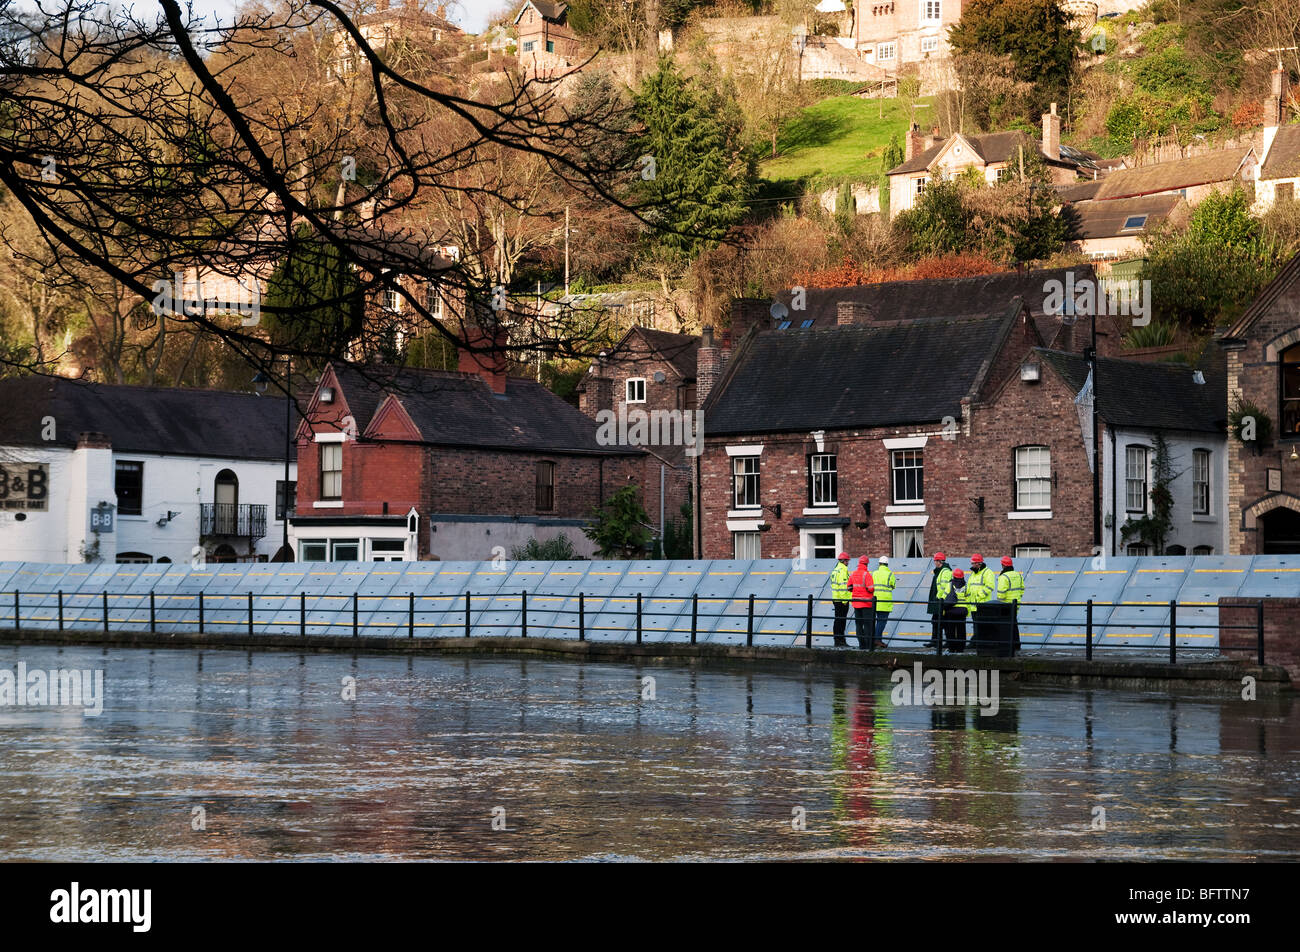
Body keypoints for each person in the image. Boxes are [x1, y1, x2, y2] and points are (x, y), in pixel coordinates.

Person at [965, 553, 996, 648]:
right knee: (976, 625)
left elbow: (990, 586)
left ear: (979, 563)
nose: (972, 565)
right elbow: (969, 587)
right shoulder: (973, 573)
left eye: (973, 563)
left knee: (982, 626)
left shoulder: (988, 572)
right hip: (974, 604)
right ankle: (976, 643)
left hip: (983, 604)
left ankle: (977, 643)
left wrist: (979, 596)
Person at [996, 555, 1026, 652]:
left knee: (1006, 626)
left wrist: (999, 601)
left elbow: (1001, 594)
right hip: (1016, 603)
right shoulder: (1018, 575)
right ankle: (1017, 645)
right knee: (1014, 624)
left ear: (1003, 565)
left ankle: (1008, 646)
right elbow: (1022, 589)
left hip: (1005, 604)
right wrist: (1018, 597)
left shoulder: (1003, 576)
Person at [924, 552, 953, 649]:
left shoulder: (945, 572)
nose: (934, 562)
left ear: (939, 561)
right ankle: (935, 640)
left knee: (942, 621)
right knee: (935, 620)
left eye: (935, 561)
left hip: (941, 600)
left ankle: (942, 641)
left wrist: (939, 598)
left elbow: (944, 587)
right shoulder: (940, 571)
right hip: (938, 600)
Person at [848, 556, 876, 649]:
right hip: (866, 603)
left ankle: (861, 644)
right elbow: (871, 588)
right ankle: (868, 645)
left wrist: (856, 591)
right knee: (868, 624)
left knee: (859, 624)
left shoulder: (853, 574)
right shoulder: (867, 575)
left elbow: (849, 588)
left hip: (856, 603)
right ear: (867, 564)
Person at [941, 568, 971, 653]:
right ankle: (960, 649)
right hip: (962, 612)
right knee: (961, 630)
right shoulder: (966, 585)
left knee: (951, 630)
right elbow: (969, 599)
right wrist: (967, 612)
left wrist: (943, 610)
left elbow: (944, 597)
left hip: (951, 611)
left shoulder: (950, 584)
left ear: (954, 576)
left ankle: (952, 648)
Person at [871, 556, 896, 647]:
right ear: (887, 564)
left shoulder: (874, 573)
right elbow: (893, 586)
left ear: (879, 564)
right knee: (881, 622)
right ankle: (877, 640)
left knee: (876, 621)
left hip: (875, 601)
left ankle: (876, 640)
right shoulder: (890, 574)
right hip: (885, 602)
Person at [830, 552, 851, 647]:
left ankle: (837, 640)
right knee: (841, 620)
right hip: (842, 600)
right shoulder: (842, 570)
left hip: (836, 598)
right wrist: (845, 601)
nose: (848, 562)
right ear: (844, 561)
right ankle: (841, 640)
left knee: (837, 620)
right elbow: (843, 587)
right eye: (847, 561)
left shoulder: (835, 570)